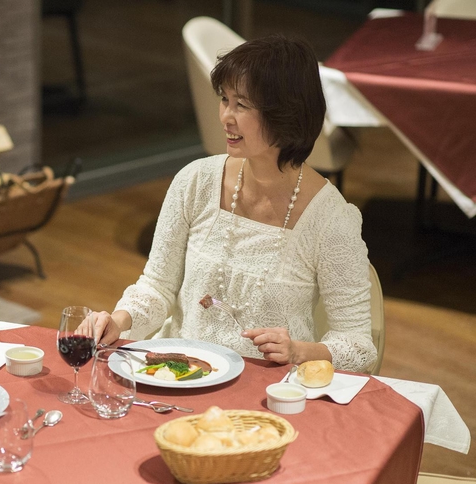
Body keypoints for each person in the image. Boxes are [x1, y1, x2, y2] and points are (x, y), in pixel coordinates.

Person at [91, 35, 377, 373]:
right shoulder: (195, 181)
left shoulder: (330, 218)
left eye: (241, 105)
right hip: (179, 374)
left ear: (285, 114)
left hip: (269, 393)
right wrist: (119, 321)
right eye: (224, 100)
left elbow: (359, 346)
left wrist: (299, 350)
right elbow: (157, 287)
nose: (226, 116)